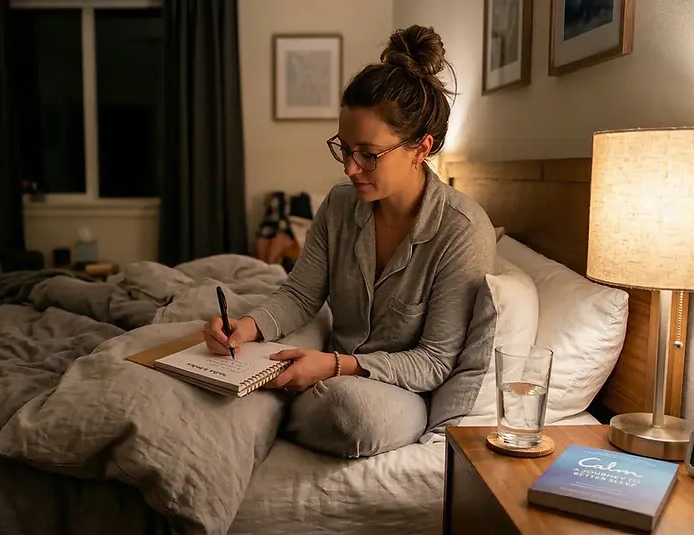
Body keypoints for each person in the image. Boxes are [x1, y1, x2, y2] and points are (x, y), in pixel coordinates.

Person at [205, 25, 496, 458]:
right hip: (327, 360)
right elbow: (302, 293)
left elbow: (434, 361)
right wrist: (244, 328)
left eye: (368, 154)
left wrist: (340, 367)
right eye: (343, 149)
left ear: (421, 148)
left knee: (352, 415)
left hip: (395, 387)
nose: (350, 169)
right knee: (215, 352)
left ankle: (272, 408)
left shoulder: (462, 231)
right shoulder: (341, 205)